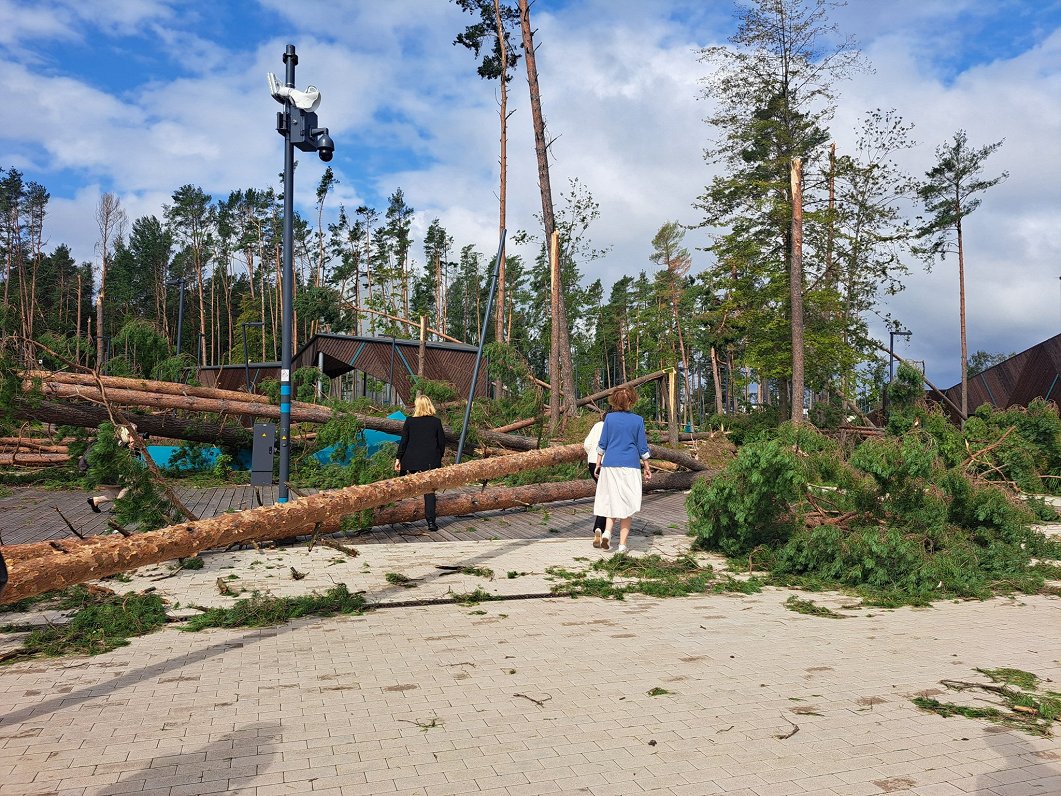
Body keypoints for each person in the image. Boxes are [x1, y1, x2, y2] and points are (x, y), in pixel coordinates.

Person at [592, 387, 651, 554]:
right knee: (627, 505)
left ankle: (608, 533)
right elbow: (642, 447)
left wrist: (598, 463)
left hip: (610, 465)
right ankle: (623, 546)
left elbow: (602, 443)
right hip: (630, 467)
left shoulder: (609, 419)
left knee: (612, 501)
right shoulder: (638, 420)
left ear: (614, 401)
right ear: (631, 401)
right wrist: (647, 467)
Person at [394, 394, 447, 532]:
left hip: (411, 461)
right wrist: (438, 457)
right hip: (430, 462)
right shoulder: (436, 422)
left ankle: (393, 513)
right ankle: (431, 521)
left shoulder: (410, 421)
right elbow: (441, 443)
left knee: (402, 485)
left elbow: (404, 442)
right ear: (429, 405)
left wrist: (398, 458)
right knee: (429, 491)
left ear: (418, 406)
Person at [582, 412, 608, 548]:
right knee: (607, 496)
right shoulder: (611, 427)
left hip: (592, 462)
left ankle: (601, 528)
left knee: (603, 494)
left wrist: (590, 455)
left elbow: (586, 444)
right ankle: (600, 528)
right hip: (606, 463)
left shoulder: (597, 426)